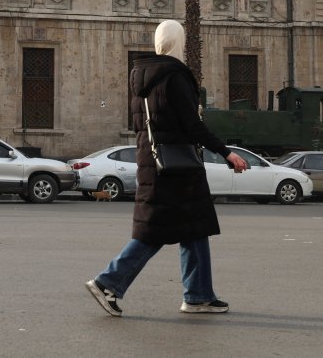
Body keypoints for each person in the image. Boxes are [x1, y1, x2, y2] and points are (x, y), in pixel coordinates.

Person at [86, 19, 249, 317]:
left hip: (154, 161)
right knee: (154, 231)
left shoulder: (141, 77)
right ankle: (108, 281)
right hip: (177, 166)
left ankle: (198, 295)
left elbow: (142, 125)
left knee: (193, 228)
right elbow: (192, 126)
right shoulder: (174, 76)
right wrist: (227, 153)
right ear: (179, 44)